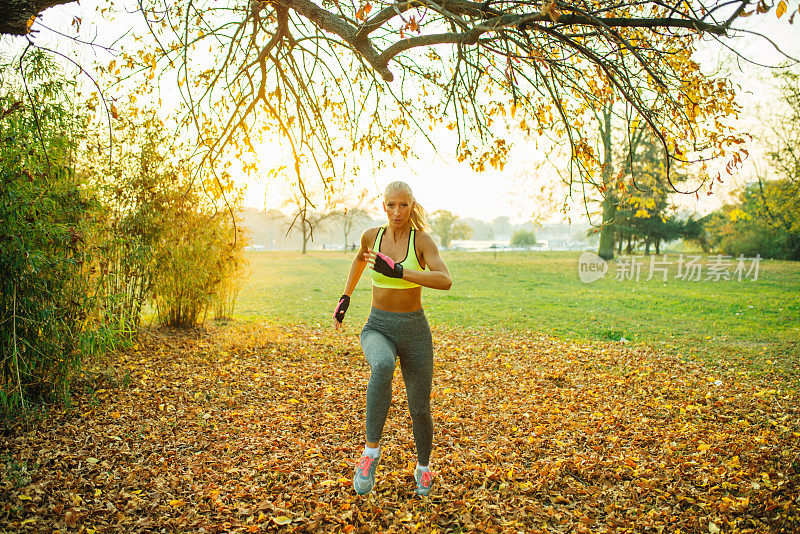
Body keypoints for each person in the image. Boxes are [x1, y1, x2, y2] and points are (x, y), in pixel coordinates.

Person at [332, 181, 452, 496]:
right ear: (383, 205)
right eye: (391, 205)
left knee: (419, 407)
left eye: (403, 205)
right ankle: (370, 455)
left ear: (412, 206)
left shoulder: (422, 241)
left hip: (415, 331)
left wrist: (401, 272)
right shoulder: (371, 237)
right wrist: (345, 297)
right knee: (382, 364)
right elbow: (360, 260)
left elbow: (445, 280)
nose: (397, 212)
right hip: (378, 326)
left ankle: (424, 468)